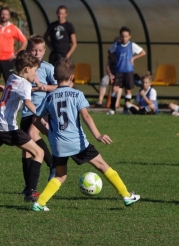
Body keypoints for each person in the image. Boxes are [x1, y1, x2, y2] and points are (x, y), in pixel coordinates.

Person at [31, 58, 140, 211]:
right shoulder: (77, 94)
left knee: (60, 176)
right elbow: (86, 116)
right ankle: (126, 196)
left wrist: (48, 132)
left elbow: (36, 119)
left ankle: (40, 203)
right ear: (71, 77)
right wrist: (97, 135)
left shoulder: (49, 97)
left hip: (58, 144)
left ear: (55, 77)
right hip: (77, 142)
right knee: (103, 166)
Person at [0, 50, 45, 202]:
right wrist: (40, 116)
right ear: (26, 69)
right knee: (39, 153)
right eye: (35, 71)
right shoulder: (25, 83)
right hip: (7, 128)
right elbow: (27, 102)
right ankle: (30, 192)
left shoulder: (12, 76)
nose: (36, 75)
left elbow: (14, 90)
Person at [20, 35, 58, 195]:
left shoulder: (48, 68)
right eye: (34, 50)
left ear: (44, 51)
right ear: (28, 50)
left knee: (32, 134)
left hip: (41, 110)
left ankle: (52, 165)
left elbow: (57, 86)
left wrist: (43, 87)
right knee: (26, 150)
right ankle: (29, 187)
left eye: (40, 50)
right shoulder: (24, 68)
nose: (36, 53)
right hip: (26, 112)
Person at [107, 26, 146, 115]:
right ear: (120, 36)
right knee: (115, 89)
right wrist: (115, 58)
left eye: (126, 36)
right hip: (119, 70)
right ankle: (112, 109)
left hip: (129, 70)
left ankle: (126, 108)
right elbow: (109, 51)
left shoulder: (132, 45)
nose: (124, 38)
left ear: (129, 36)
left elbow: (143, 52)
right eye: (122, 36)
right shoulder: (117, 45)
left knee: (128, 90)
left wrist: (133, 58)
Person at [0, 7, 28, 83]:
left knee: (10, 82)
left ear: (9, 16)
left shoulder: (13, 28)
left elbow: (24, 41)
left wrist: (16, 54)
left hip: (8, 59)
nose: (4, 16)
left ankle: (9, 95)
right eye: (2, 14)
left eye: (6, 14)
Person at [95, 37, 122, 108]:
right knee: (104, 80)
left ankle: (115, 103)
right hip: (111, 74)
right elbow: (107, 66)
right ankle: (100, 101)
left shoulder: (123, 55)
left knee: (118, 84)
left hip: (120, 75)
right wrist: (110, 74)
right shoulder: (111, 55)